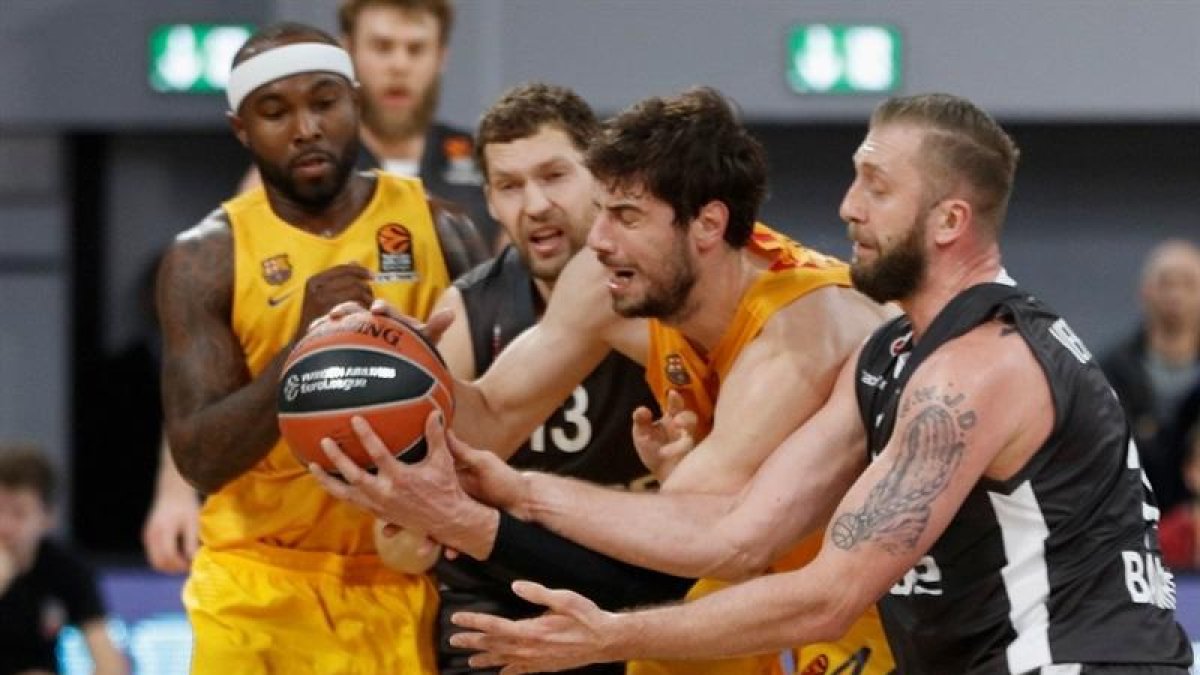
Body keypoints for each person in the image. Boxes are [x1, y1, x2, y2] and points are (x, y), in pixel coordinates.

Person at [441, 93, 1196, 674]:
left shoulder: (977, 368)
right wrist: (516, 488)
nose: (847, 207)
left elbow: (827, 595)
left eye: (875, 187)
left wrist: (612, 634)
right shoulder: (890, 354)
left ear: (948, 220)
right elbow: (733, 531)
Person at [311, 87, 898, 675]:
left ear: (707, 225)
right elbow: (489, 417)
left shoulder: (797, 339)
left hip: (868, 600)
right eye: (602, 211)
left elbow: (697, 549)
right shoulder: (610, 281)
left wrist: (493, 509)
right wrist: (393, 365)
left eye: (626, 217)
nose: (597, 240)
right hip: (749, 583)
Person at [157, 22, 486, 673]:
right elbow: (200, 458)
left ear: (355, 104)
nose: (305, 126)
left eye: (323, 102)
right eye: (276, 111)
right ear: (241, 130)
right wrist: (304, 351)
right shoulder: (205, 255)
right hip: (253, 580)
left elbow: (498, 418)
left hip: (399, 571)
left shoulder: (442, 228)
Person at [430, 81, 660, 675]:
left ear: (601, 174)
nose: (533, 205)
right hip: (501, 599)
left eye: (554, 176)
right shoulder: (464, 313)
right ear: (488, 200)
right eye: (510, 186)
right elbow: (408, 536)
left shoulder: (668, 295)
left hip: (644, 585)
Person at [0, 443, 129, 675]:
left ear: (47, 518)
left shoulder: (65, 568)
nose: (5, 525)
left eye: (19, 513)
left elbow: (111, 664)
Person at [1101, 240, 1200, 513]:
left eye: (1188, 284)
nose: (1175, 295)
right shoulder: (1113, 369)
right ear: (1144, 291)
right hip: (1131, 512)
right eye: (1166, 283)